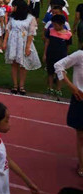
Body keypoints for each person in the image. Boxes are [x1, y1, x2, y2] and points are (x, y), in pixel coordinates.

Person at [3, 0, 41, 95]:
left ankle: (21, 86)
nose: (12, 8)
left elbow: (31, 33)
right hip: (13, 41)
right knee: (14, 63)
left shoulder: (30, 18)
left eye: (14, 6)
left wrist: (28, 47)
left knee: (23, 64)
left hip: (23, 42)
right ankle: (15, 85)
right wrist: (5, 42)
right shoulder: (12, 17)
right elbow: (8, 29)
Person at [54, 50, 83, 178]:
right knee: (81, 137)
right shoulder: (80, 55)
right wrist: (72, 86)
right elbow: (58, 65)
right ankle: (82, 166)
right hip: (80, 99)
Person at [44, 15, 71, 98]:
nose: (54, 26)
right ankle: (50, 88)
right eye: (53, 24)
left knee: (60, 73)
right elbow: (47, 42)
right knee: (50, 72)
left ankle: (58, 89)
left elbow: (67, 46)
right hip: (51, 54)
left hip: (61, 56)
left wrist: (66, 57)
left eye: (56, 25)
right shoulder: (50, 31)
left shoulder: (68, 34)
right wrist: (45, 54)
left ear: (62, 24)